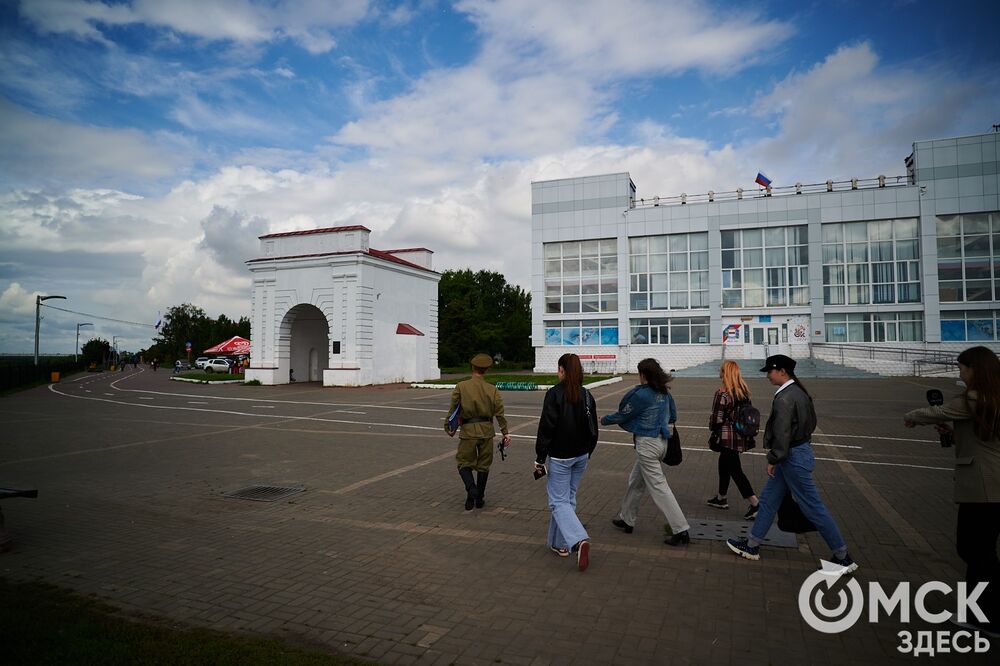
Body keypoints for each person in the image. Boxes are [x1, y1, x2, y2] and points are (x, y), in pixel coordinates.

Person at [727, 354, 858, 571]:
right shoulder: (799, 393)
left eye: (770, 371)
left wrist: (774, 458)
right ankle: (752, 544)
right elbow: (810, 424)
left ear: (782, 371)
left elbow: (782, 432)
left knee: (813, 507)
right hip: (796, 453)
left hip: (791, 457)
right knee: (768, 500)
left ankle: (842, 555)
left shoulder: (785, 397)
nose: (768, 375)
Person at [904, 346, 1000, 633]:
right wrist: (955, 431)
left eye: (962, 368)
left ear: (975, 370)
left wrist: (912, 416)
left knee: (974, 550)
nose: (960, 373)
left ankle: (984, 616)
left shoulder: (974, 398)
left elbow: (939, 411)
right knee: (981, 550)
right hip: (992, 486)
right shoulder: (993, 398)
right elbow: (982, 434)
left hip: (984, 488)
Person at [601, 358, 690, 546]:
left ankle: (680, 528)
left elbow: (624, 414)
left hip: (647, 446)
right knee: (636, 481)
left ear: (644, 375)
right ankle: (627, 519)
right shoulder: (664, 392)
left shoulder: (642, 395)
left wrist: (603, 420)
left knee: (659, 487)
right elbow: (673, 415)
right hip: (663, 442)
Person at [534, 353, 598, 571]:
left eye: (558, 369)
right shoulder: (587, 394)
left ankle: (579, 539)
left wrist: (540, 458)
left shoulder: (554, 394)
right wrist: (588, 451)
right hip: (581, 455)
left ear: (562, 370)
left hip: (561, 456)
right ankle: (560, 544)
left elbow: (546, 428)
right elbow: (594, 429)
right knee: (567, 499)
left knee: (558, 502)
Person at [444, 353, 511, 510]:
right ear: (486, 370)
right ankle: (479, 498)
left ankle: (471, 490)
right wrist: (505, 432)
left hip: (468, 432)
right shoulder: (492, 389)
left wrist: (448, 426)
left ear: (472, 367)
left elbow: (453, 409)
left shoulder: (461, 386)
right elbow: (499, 413)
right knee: (483, 466)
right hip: (487, 432)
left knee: (463, 463)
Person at [706, 360, 760, 520]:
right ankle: (721, 497)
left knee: (736, 470)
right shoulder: (744, 392)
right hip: (740, 436)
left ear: (725, 373)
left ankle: (755, 503)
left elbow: (717, 419)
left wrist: (711, 427)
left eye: (721, 369)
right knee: (724, 464)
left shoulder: (722, 393)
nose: (719, 371)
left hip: (727, 438)